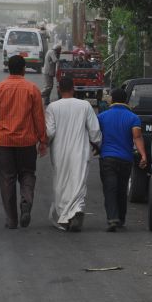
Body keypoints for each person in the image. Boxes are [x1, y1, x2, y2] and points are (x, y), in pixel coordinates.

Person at [0, 55, 47, 229]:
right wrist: (42, 140)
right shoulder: (32, 89)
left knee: (6, 180)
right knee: (28, 174)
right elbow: (39, 118)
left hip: (4, 143)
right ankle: (26, 204)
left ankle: (11, 219)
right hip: (27, 143)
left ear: (9, 69)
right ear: (24, 69)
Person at [45, 77, 102, 232]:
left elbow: (49, 132)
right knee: (78, 181)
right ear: (73, 89)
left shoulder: (52, 107)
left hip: (59, 151)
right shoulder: (84, 105)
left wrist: (43, 144)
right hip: (80, 150)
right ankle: (77, 209)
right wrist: (97, 144)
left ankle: (64, 216)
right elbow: (94, 130)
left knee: (61, 182)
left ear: (58, 89)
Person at [97, 88, 148, 232]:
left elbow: (95, 135)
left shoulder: (102, 116)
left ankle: (112, 218)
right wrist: (143, 155)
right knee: (121, 188)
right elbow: (137, 137)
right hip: (126, 159)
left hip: (107, 158)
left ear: (112, 99)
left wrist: (95, 148)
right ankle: (121, 218)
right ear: (126, 100)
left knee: (110, 188)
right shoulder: (133, 118)